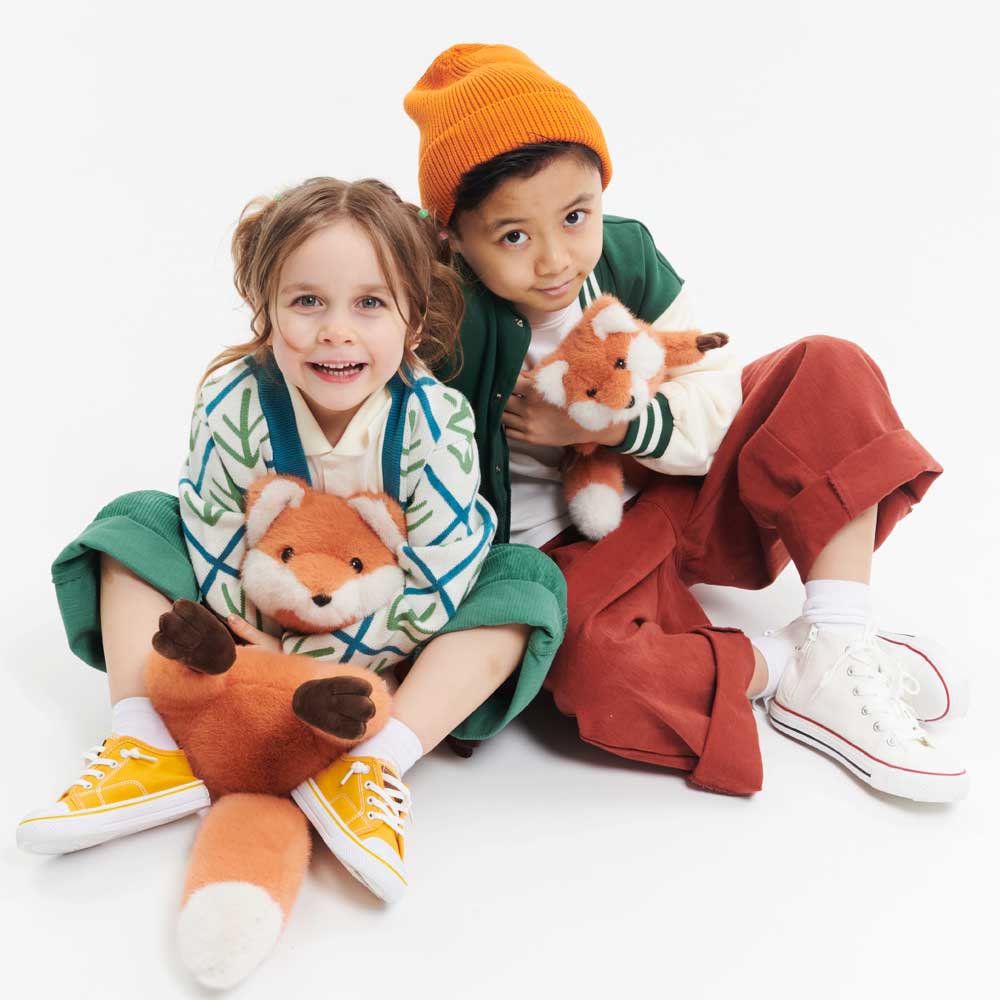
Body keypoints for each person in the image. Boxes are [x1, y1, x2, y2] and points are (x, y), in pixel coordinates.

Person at [403, 43, 969, 802]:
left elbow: (713, 393)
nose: (554, 260)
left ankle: (838, 631)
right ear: (452, 238)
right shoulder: (444, 318)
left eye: (575, 217)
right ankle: (783, 668)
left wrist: (607, 431)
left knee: (826, 366)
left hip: (681, 491)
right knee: (588, 668)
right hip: (573, 552)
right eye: (514, 236)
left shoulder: (627, 254)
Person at [19, 176, 566, 902]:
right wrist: (260, 652)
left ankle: (373, 762)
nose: (336, 330)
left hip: (387, 645)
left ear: (413, 322)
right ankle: (144, 741)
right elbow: (214, 547)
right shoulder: (233, 403)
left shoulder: (435, 425)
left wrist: (312, 664)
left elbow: (439, 577)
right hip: (249, 636)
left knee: (524, 580)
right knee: (135, 520)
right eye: (307, 301)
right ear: (267, 313)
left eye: (370, 303)